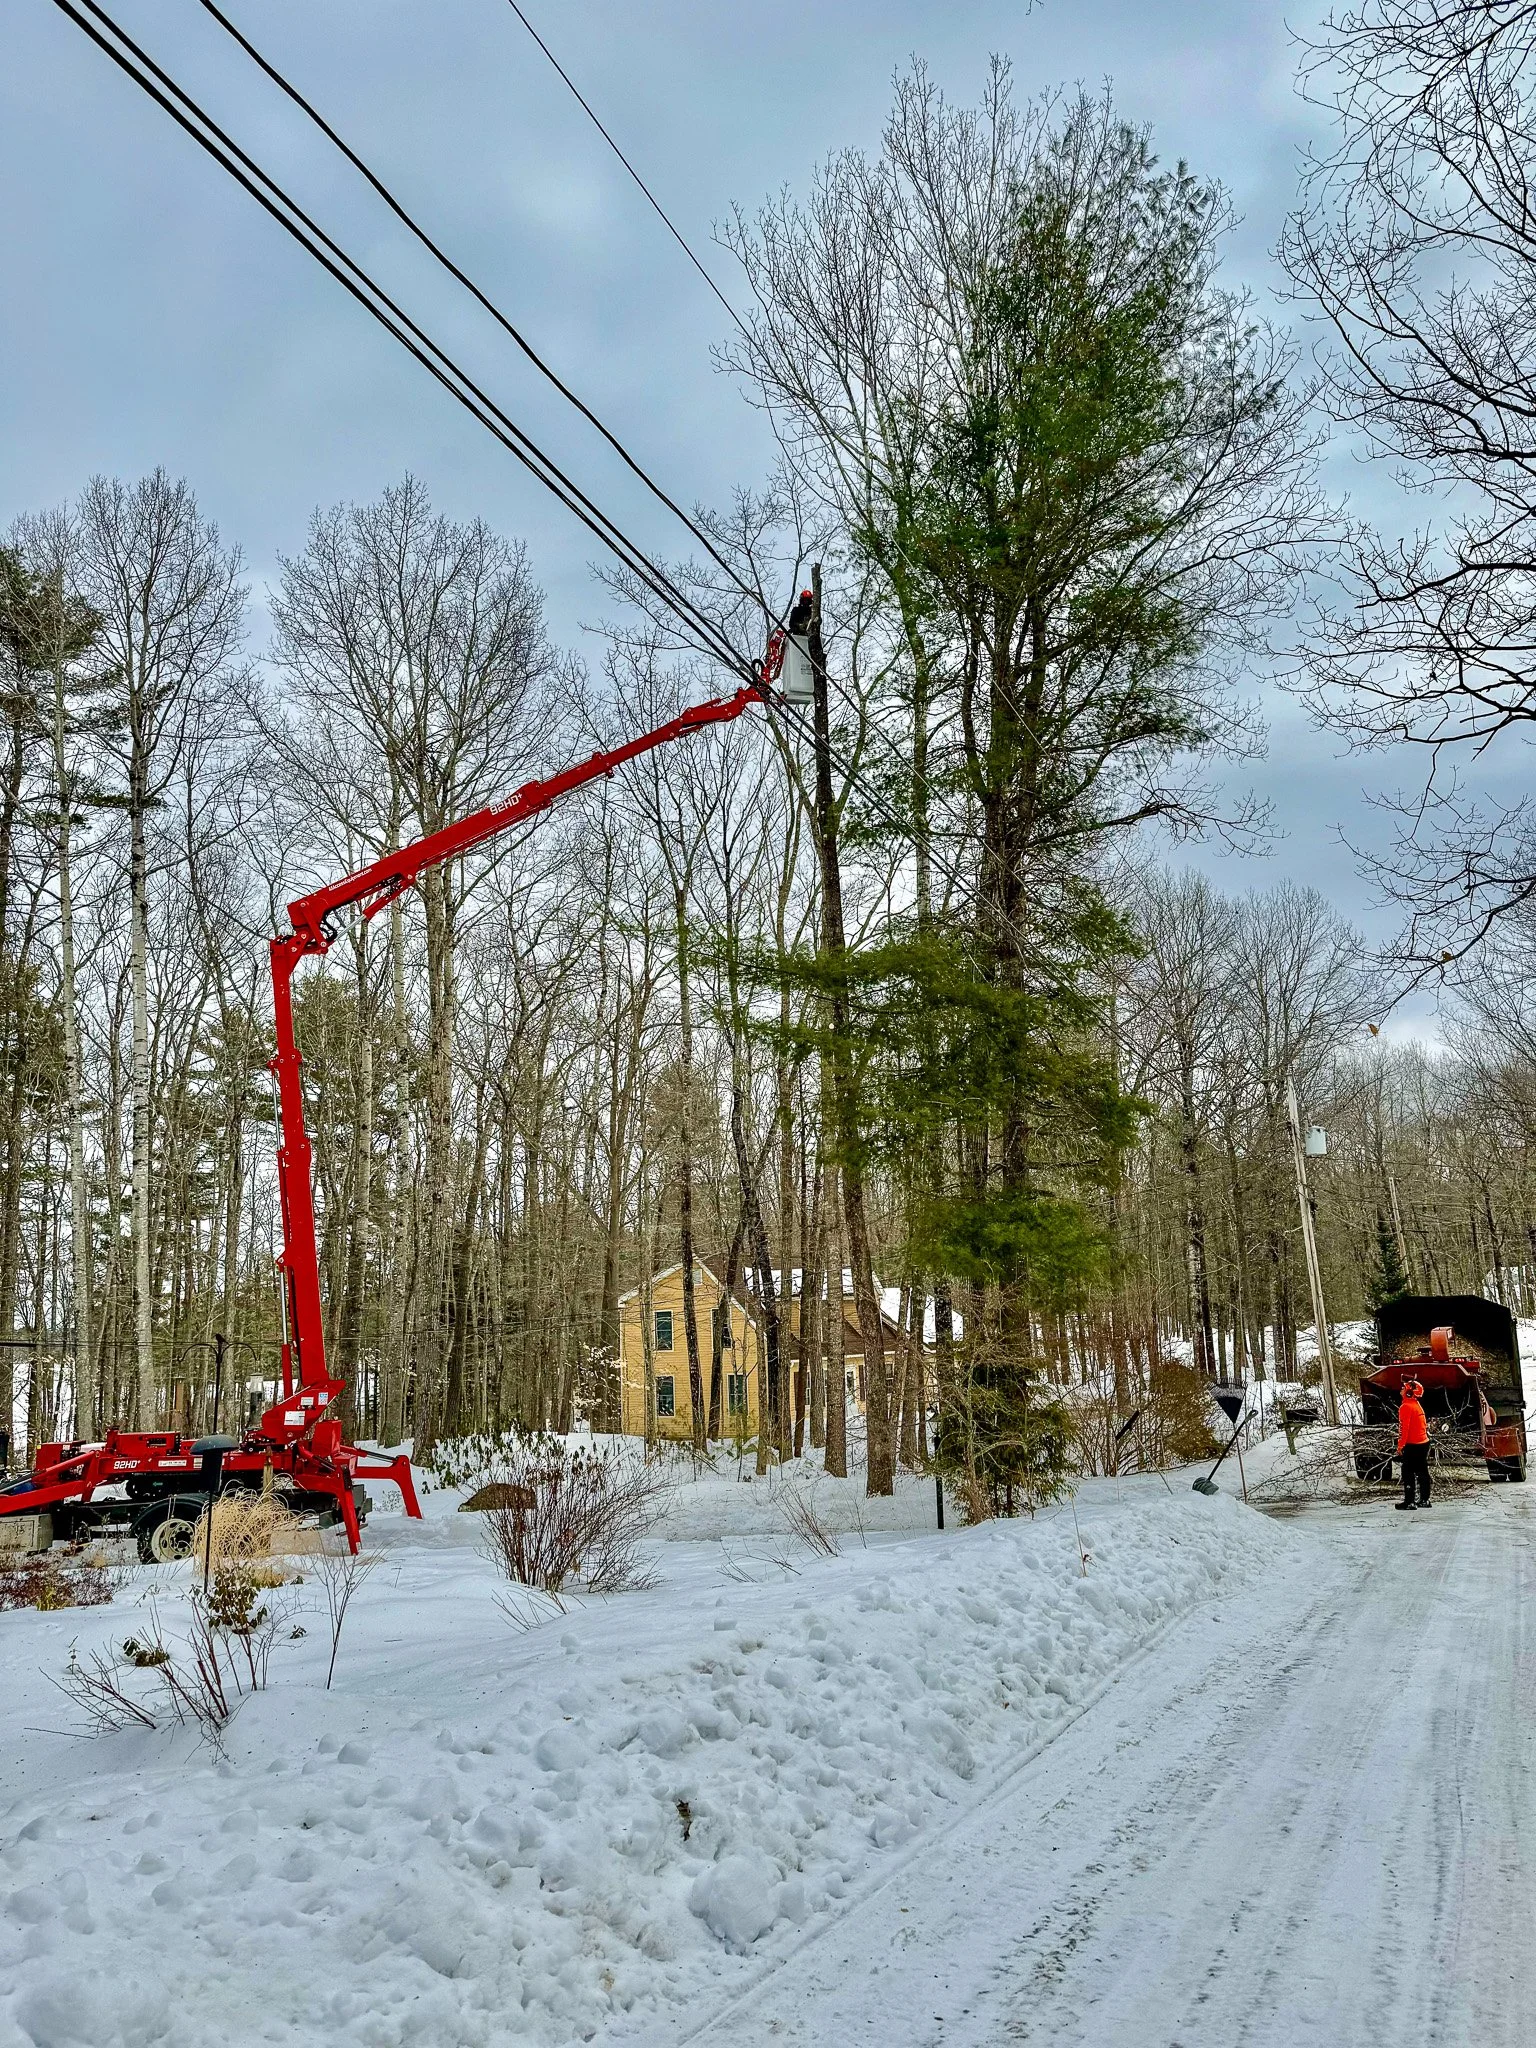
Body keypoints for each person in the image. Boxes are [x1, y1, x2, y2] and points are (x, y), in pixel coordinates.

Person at [1396, 1376, 1431, 1510]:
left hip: (1413, 1444)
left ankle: (1409, 1502)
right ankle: (1425, 1499)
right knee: (1422, 1472)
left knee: (1408, 1472)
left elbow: (1404, 1429)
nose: (1402, 1389)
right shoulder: (1416, 1405)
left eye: (1404, 1388)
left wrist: (1400, 1446)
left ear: (1409, 1392)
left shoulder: (1406, 1407)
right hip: (1423, 1443)